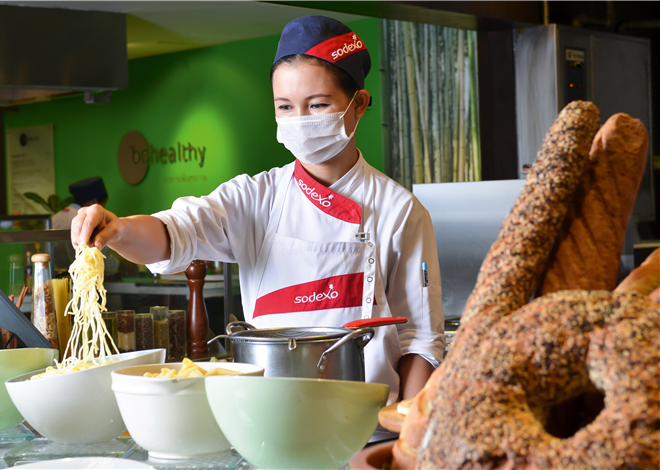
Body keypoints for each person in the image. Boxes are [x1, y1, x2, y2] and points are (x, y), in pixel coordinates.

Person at [72, 16, 445, 403]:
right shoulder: (254, 197)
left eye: (318, 104)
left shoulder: (399, 210)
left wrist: (405, 430)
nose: (300, 120)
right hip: (268, 413)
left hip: (368, 421)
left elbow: (419, 340)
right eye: (285, 106)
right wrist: (121, 229)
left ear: (360, 104)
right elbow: (175, 232)